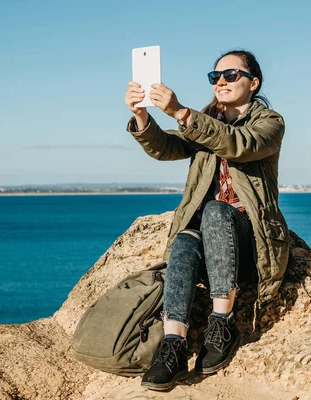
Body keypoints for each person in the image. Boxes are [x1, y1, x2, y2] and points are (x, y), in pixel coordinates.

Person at [124, 49, 289, 391]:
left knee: (216, 210)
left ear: (253, 82)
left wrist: (181, 112)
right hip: (210, 243)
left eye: (231, 75)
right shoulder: (205, 119)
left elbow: (237, 144)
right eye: (216, 77)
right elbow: (166, 147)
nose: (222, 81)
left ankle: (222, 323)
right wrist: (142, 116)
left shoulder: (269, 123)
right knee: (185, 238)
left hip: (249, 242)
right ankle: (173, 344)